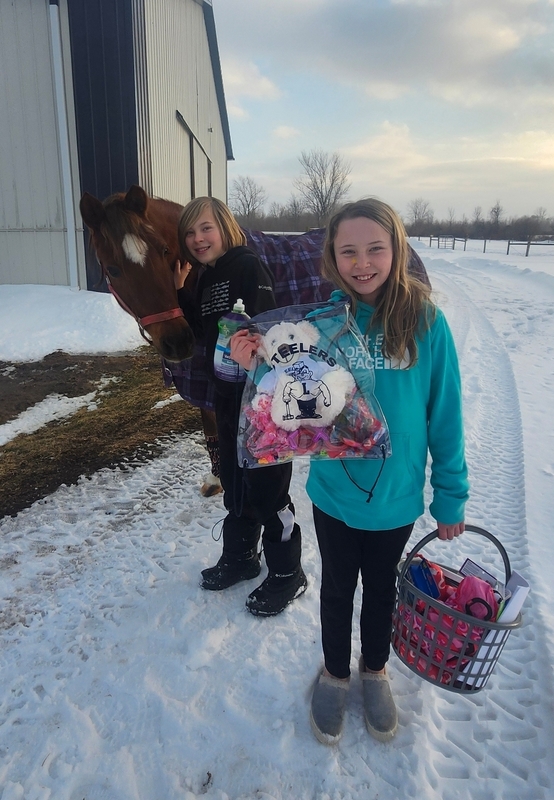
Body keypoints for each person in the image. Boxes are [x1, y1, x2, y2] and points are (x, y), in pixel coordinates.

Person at [230, 198, 469, 743]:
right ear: (332, 259)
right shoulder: (323, 327)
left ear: (397, 250)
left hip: (397, 497)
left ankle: (375, 669)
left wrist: (450, 495)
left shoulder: (426, 323)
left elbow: (446, 415)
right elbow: (288, 396)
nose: (362, 263)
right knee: (338, 588)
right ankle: (336, 673)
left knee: (382, 590)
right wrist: (253, 364)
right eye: (348, 252)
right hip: (335, 493)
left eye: (375, 249)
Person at [174, 197, 307, 616]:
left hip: (262, 400)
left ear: (225, 228)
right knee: (235, 481)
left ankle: (288, 573)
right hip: (228, 398)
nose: (198, 239)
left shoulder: (247, 267)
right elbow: (205, 332)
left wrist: (257, 357)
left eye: (206, 228)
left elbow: (268, 327)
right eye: (190, 232)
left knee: (269, 489)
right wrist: (181, 290)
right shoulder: (207, 277)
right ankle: (241, 557)